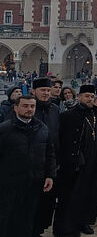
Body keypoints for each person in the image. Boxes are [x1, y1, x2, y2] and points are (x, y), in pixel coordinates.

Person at [54, 85, 97, 236]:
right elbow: (62, 141)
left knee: (91, 196)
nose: (89, 99)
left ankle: (84, 222)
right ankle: (68, 227)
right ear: (79, 97)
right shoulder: (68, 116)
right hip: (76, 164)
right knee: (72, 196)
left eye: (92, 96)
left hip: (95, 163)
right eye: (86, 96)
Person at [0, 96, 56, 237]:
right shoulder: (4, 129)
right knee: (9, 217)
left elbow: (50, 154)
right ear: (16, 108)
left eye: (32, 106)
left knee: (31, 216)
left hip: (35, 181)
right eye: (25, 106)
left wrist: (50, 175)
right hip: (10, 183)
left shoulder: (42, 128)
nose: (29, 109)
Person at [30, 78, 61, 236]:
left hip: (51, 161)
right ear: (34, 91)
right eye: (43, 90)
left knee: (47, 201)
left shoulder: (55, 109)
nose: (46, 93)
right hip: (32, 163)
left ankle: (40, 229)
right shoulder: (28, 107)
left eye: (48, 91)